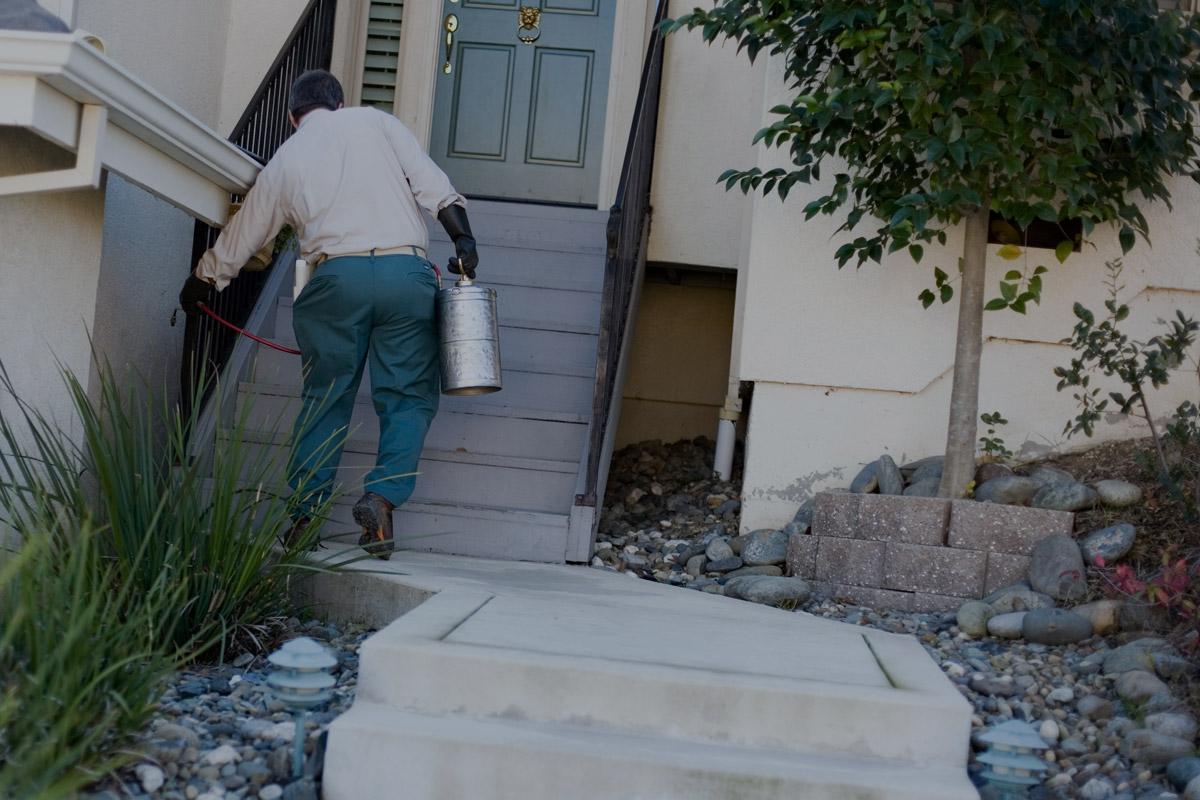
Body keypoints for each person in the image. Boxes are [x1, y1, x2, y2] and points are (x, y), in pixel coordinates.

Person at [180, 70, 479, 560]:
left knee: (326, 400)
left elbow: (248, 231)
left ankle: (303, 519)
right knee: (407, 398)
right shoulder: (376, 123)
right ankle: (381, 499)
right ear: (339, 105)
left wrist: (204, 281)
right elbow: (433, 185)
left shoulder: (287, 157)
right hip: (406, 275)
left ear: (293, 117)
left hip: (335, 280)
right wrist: (465, 240)